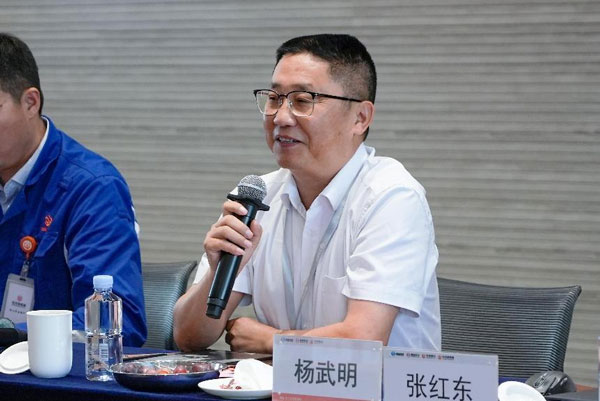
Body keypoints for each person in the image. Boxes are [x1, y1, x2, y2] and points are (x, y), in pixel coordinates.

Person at [174, 33, 440, 353]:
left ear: (360, 118)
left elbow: (365, 340)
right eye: (274, 98)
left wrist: (271, 340)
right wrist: (218, 273)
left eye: (302, 101)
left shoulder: (391, 197)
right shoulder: (257, 199)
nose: (281, 117)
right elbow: (187, 338)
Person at [0, 32, 146, 346]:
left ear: (30, 102)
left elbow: (116, 324)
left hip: (51, 372)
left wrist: (16, 338)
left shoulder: (93, 188)